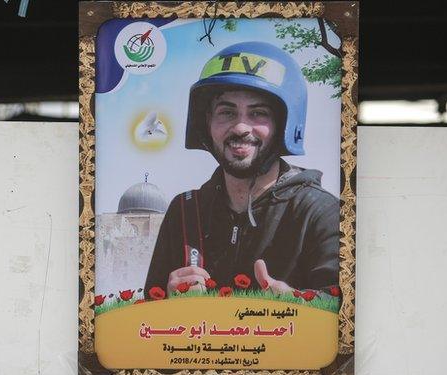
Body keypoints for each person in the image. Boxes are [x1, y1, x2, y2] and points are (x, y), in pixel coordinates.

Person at [144, 41, 339, 296]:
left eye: (258, 113)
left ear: (284, 126)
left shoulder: (320, 212)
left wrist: (299, 304)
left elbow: (346, 317)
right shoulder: (184, 211)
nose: (240, 128)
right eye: (227, 112)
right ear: (207, 123)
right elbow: (145, 321)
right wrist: (167, 300)